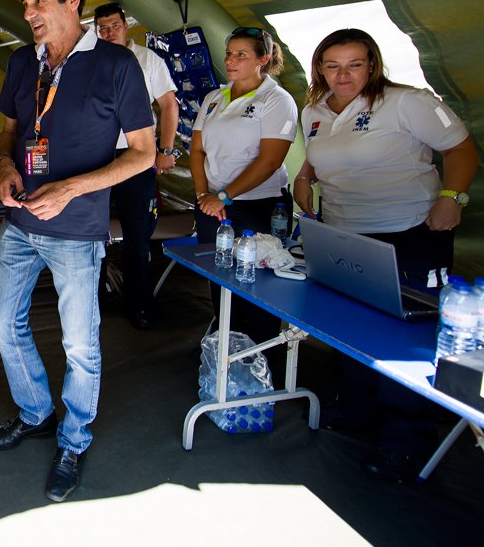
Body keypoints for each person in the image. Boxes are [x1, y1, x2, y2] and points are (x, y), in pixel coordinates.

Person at [0, 0, 155, 503]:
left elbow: (144, 154)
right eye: (24, 3)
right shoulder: (21, 62)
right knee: (3, 324)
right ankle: (36, 411)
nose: (28, 13)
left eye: (38, 1)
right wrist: (5, 167)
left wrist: (70, 189)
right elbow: (10, 133)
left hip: (77, 230)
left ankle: (74, 439)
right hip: (19, 221)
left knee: (80, 345)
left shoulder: (117, 64)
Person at [293, 28, 478, 481]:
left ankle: (406, 440)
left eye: (354, 65)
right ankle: (358, 409)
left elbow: (461, 149)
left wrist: (452, 197)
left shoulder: (407, 101)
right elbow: (319, 156)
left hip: (410, 231)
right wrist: (303, 178)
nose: (343, 75)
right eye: (333, 65)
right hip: (346, 232)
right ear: (320, 68)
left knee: (405, 338)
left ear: (372, 65)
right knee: (352, 323)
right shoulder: (314, 110)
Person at [189, 27, 297, 362]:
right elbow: (197, 150)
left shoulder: (276, 100)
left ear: (263, 59)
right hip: (213, 205)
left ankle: (263, 361)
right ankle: (225, 354)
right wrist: (204, 194)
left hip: (258, 206)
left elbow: (269, 161)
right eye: (228, 53)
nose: (230, 61)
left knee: (259, 288)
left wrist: (223, 196)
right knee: (220, 281)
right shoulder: (215, 97)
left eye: (241, 55)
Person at [95, 2, 179, 330]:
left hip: (137, 155)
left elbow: (169, 105)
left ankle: (139, 303)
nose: (109, 33)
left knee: (137, 232)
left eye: (114, 26)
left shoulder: (147, 60)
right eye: (102, 28)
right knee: (92, 230)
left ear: (125, 26)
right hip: (97, 155)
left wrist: (165, 149)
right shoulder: (89, 59)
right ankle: (93, 299)